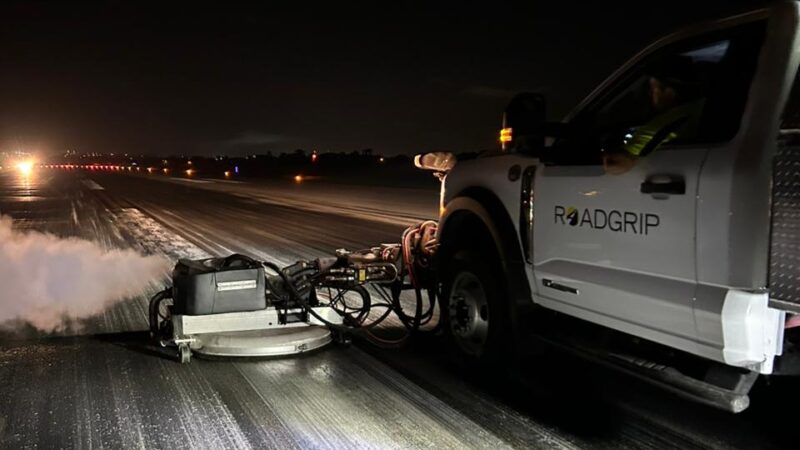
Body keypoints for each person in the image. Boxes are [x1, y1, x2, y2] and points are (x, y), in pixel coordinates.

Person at [604, 56, 705, 175]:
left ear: (669, 92)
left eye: (652, 89)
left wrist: (625, 157)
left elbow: (624, 158)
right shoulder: (701, 105)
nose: (650, 94)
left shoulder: (672, 120)